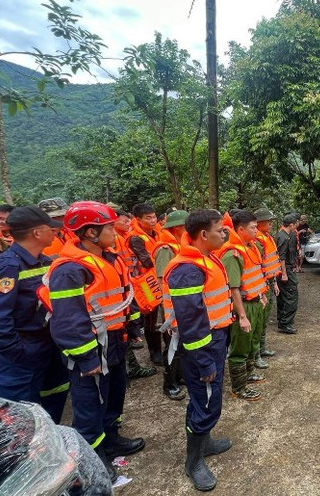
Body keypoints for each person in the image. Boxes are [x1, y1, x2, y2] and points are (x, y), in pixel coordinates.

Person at [44, 201, 144, 481]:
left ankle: (111, 438)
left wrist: (132, 325)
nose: (115, 231)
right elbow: (67, 320)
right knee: (90, 404)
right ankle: (92, 458)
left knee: (114, 394)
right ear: (90, 233)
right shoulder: (70, 270)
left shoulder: (110, 258)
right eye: (110, 227)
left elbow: (124, 295)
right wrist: (87, 358)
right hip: (91, 346)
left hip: (114, 340)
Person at [0, 206, 70, 420]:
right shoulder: (5, 268)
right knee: (20, 415)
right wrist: (18, 351)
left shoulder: (46, 262)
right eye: (50, 228)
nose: (55, 232)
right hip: (23, 351)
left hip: (50, 345)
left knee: (54, 398)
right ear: (36, 233)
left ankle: (47, 445)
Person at [162, 209, 234, 491]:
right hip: (200, 345)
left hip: (214, 340)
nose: (225, 234)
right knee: (204, 399)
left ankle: (206, 443)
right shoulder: (187, 269)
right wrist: (204, 362)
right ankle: (193, 462)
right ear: (203, 234)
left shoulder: (204, 258)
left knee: (209, 398)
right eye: (220, 230)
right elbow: (191, 323)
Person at [216, 210, 269, 400]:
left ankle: (248, 374)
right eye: (253, 227)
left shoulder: (251, 247)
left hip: (255, 302)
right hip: (243, 306)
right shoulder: (232, 254)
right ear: (240, 229)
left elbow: (255, 276)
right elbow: (234, 288)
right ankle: (239, 387)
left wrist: (261, 295)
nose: (257, 231)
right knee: (240, 346)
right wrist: (242, 316)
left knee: (253, 342)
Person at [155, 210, 189, 401]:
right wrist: (169, 309)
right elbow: (162, 279)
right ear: (177, 227)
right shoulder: (165, 249)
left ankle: (179, 375)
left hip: (180, 303)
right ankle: (169, 384)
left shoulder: (178, 246)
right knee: (172, 344)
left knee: (181, 343)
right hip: (171, 306)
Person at [126, 203, 163, 366]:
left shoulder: (157, 233)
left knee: (161, 315)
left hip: (159, 278)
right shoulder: (135, 238)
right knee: (151, 317)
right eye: (148, 218)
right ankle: (154, 353)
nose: (153, 220)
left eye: (154, 216)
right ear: (138, 220)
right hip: (145, 282)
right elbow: (146, 261)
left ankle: (160, 349)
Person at [254, 208, 281, 368]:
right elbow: (257, 267)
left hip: (269, 284)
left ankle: (262, 348)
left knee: (264, 321)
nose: (271, 223)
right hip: (260, 287)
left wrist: (274, 283)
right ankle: (255, 354)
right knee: (258, 322)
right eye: (268, 221)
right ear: (259, 223)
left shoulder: (267, 237)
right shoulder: (257, 241)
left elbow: (270, 265)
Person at [276, 214, 299, 334]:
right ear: (292, 225)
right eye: (296, 223)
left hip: (285, 269)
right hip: (286, 270)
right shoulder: (284, 237)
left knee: (283, 296)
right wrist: (284, 273)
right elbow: (282, 257)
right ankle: (286, 323)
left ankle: (282, 321)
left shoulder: (283, 235)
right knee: (291, 296)